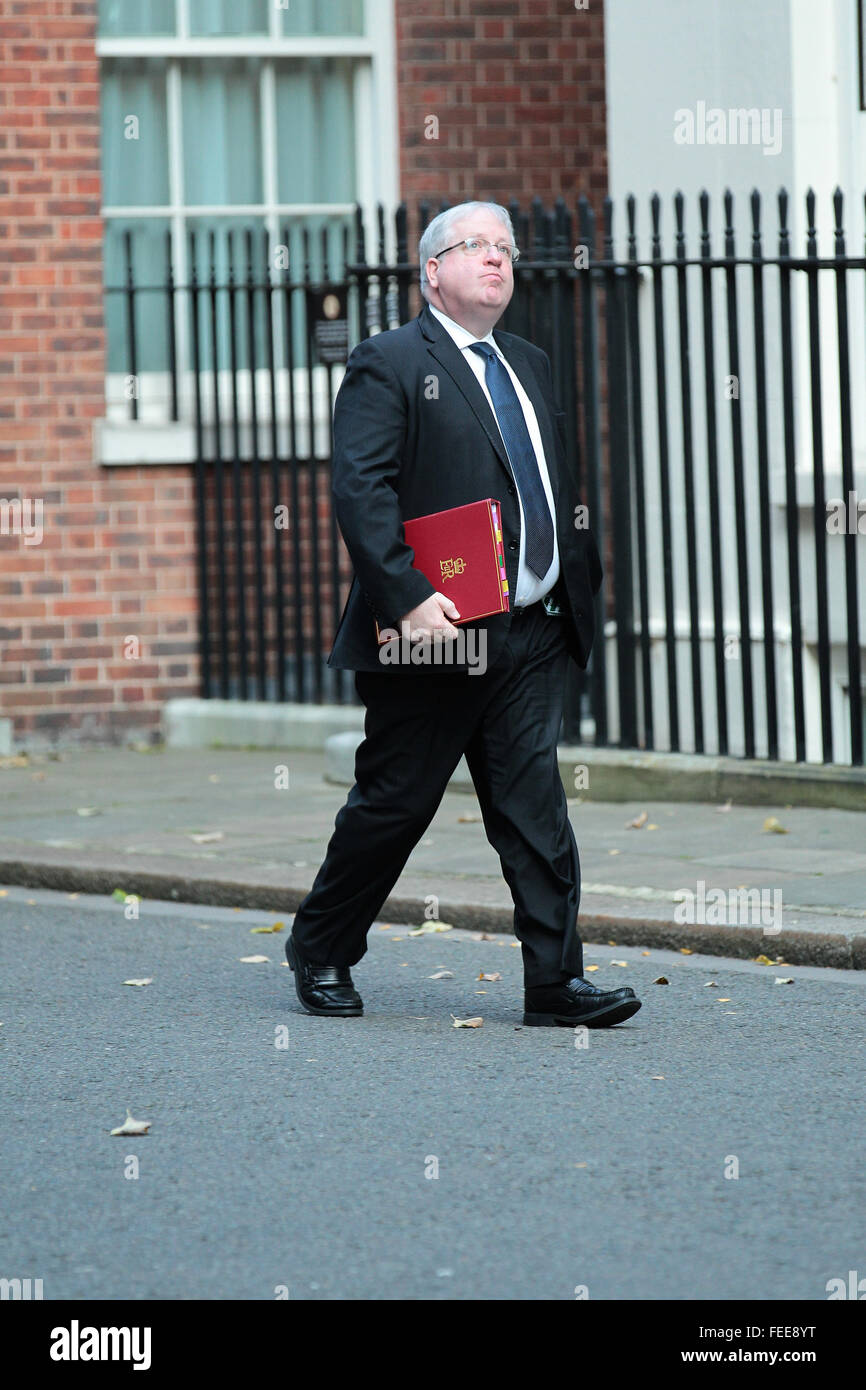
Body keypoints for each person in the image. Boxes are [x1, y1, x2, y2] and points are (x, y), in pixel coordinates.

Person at [285, 200, 641, 1030]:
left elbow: (543, 485)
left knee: (534, 809)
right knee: (397, 801)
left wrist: (568, 583)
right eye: (474, 246)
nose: (497, 259)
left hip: (533, 625)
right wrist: (406, 597)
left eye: (505, 248)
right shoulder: (391, 361)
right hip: (436, 633)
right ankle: (323, 945)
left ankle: (555, 983)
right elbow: (359, 488)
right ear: (431, 271)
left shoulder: (528, 362)